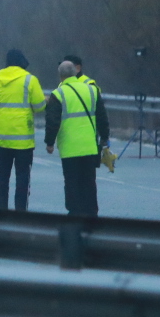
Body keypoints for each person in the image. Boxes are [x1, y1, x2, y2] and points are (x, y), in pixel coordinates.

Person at [45, 58, 109, 218]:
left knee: (72, 182)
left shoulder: (57, 94)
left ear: (60, 77)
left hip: (69, 148)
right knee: (89, 182)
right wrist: (104, 138)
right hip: (89, 146)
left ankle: (74, 214)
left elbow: (53, 121)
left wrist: (50, 142)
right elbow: (102, 116)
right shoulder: (92, 90)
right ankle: (92, 213)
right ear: (76, 73)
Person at [0, 49, 45, 212]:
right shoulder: (30, 80)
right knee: (22, 180)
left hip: (1, 140)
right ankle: (20, 214)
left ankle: (0, 212)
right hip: (23, 142)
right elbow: (40, 106)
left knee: (1, 179)